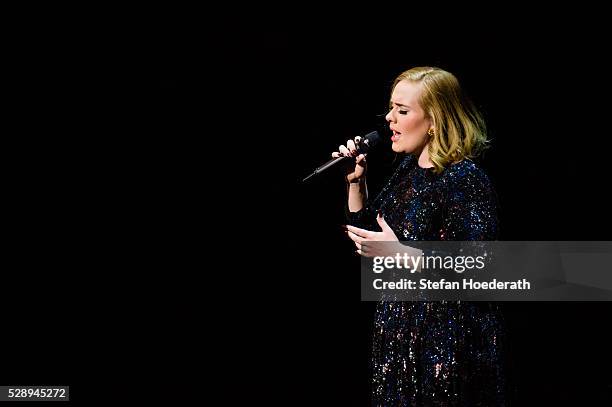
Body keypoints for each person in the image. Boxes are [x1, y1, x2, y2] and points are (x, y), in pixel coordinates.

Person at [333, 67, 509, 406]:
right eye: (390, 108)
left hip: (446, 345)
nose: (389, 118)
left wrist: (399, 254)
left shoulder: (465, 180)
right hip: (399, 337)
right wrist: (355, 182)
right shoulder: (409, 172)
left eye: (402, 110)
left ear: (435, 121)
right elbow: (373, 235)